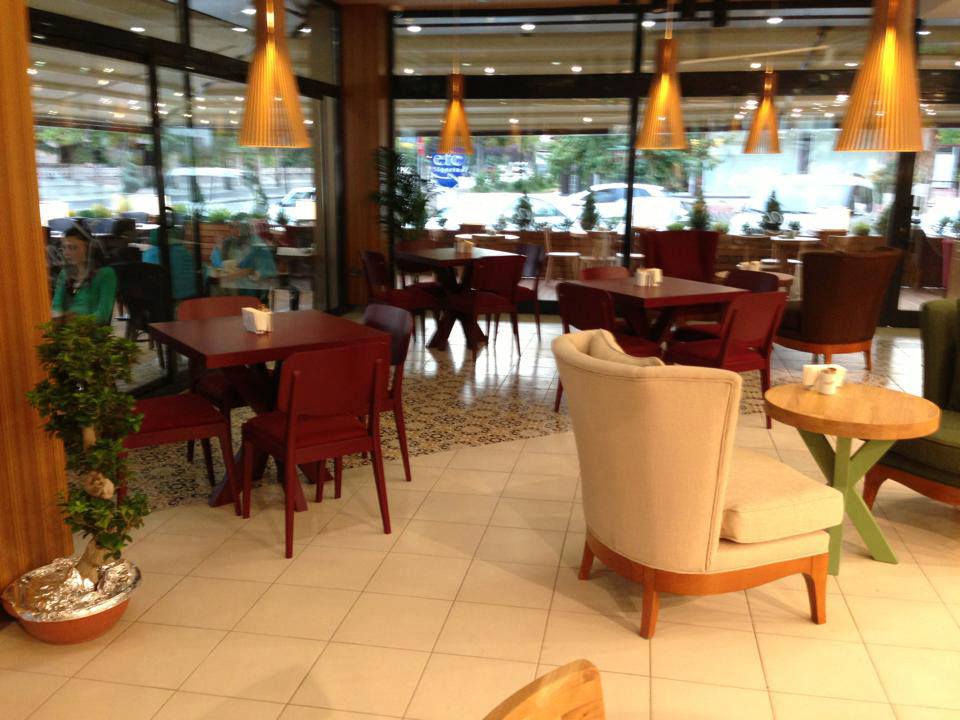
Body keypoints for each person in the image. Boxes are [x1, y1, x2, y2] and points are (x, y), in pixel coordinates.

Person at [51, 221, 117, 325]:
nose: (67, 253)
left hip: (92, 331)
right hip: (66, 330)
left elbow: (103, 314)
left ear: (89, 248)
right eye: (64, 248)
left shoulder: (105, 274)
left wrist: (77, 320)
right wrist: (58, 317)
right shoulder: (65, 274)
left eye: (73, 248)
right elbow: (56, 305)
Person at [207, 221, 278, 302]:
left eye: (236, 228)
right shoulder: (235, 241)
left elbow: (249, 262)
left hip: (257, 281)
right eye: (232, 228)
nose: (235, 231)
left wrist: (237, 269)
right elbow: (241, 262)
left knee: (251, 301)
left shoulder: (255, 242)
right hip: (245, 281)